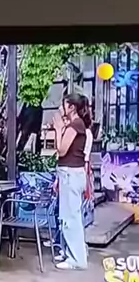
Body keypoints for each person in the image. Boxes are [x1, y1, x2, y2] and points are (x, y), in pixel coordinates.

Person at [52, 93, 88, 270]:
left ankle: (77, 259)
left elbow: (61, 150)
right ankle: (71, 253)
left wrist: (58, 129)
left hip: (71, 174)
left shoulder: (76, 125)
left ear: (72, 107)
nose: (62, 108)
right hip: (69, 173)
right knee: (68, 216)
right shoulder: (75, 125)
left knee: (71, 218)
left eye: (65, 104)